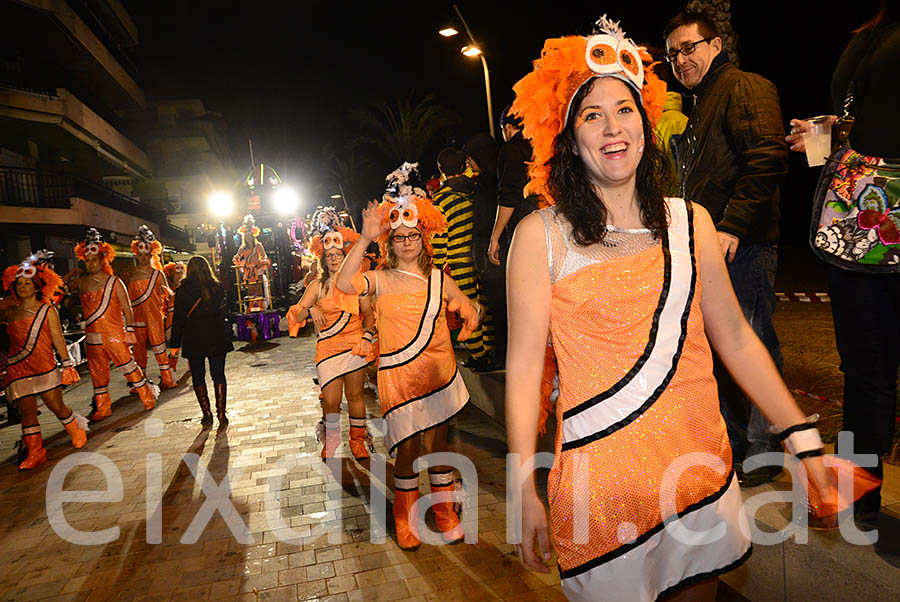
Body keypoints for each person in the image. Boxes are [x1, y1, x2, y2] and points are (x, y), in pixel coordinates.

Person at [506, 16, 844, 601]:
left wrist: (802, 438)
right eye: (592, 113)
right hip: (601, 488)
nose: (612, 128)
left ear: (648, 121)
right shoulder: (540, 237)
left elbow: (737, 338)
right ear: (566, 134)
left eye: (625, 109)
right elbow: (525, 362)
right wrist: (520, 481)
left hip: (698, 470)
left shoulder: (694, 223)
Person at [785, 1, 900, 522]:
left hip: (887, 214)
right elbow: (870, 116)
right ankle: (861, 491)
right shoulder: (872, 28)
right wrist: (822, 134)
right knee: (862, 365)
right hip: (856, 226)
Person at [664, 10, 789, 486]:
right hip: (712, 247)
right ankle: (735, 443)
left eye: (689, 47)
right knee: (717, 349)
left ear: (715, 46)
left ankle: (764, 445)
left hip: (745, 244)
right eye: (673, 52)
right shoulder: (702, 102)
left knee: (752, 341)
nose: (680, 58)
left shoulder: (744, 86)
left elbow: (767, 157)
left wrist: (734, 224)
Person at [335, 163, 480, 550]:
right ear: (389, 243)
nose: (407, 241)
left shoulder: (439, 279)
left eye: (413, 235)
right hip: (398, 379)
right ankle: (405, 514)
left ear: (424, 239)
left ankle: (445, 511)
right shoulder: (379, 279)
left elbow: (468, 306)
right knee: (408, 451)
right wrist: (364, 239)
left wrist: (470, 313)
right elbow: (343, 283)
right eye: (399, 237)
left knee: (439, 449)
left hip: (438, 374)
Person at [287, 207, 375, 460]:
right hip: (327, 349)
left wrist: (367, 337)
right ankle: (332, 441)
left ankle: (358, 441)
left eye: (339, 254)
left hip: (355, 343)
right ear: (323, 260)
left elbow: (369, 316)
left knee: (356, 395)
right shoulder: (316, 286)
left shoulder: (359, 282)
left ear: (346, 255)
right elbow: (297, 314)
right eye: (330, 256)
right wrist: (311, 307)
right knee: (331, 400)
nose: (334, 259)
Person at [1, 256, 87, 469]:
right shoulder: (9, 312)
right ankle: (35, 451)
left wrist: (67, 364)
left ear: (37, 286)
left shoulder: (46, 309)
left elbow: (58, 338)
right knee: (27, 412)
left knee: (56, 406)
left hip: (44, 365)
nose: (23, 287)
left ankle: (76, 430)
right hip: (18, 368)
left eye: (27, 283)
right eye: (19, 283)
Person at [65, 228, 157, 420]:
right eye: (88, 260)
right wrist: (67, 278)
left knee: (129, 368)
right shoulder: (81, 284)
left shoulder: (114, 282)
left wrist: (129, 330)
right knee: (97, 374)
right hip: (92, 337)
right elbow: (60, 294)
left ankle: (147, 397)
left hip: (114, 334)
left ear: (102, 260)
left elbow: (127, 307)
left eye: (94, 260)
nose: (91, 264)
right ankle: (102, 408)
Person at [431, 150, 495, 371]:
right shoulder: (476, 188)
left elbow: (439, 236)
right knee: (483, 304)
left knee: (466, 308)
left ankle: (479, 356)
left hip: (458, 261)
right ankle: (491, 351)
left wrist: (437, 267)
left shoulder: (440, 198)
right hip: (481, 256)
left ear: (441, 169)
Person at [169, 256, 234, 427]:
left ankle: (206, 414)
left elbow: (178, 320)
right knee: (218, 374)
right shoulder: (217, 288)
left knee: (198, 376)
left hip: (194, 338)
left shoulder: (182, 291)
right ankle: (221, 413)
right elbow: (225, 312)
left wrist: (174, 344)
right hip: (216, 336)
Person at [125, 226, 177, 390]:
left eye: (146, 254)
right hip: (137, 318)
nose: (143, 257)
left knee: (160, 349)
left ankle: (167, 378)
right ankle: (140, 382)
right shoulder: (130, 274)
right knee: (139, 352)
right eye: (140, 254)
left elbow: (168, 294)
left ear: (151, 253)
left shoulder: (158, 274)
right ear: (136, 253)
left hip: (154, 317)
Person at [233, 214, 271, 312]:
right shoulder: (242, 247)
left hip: (257, 270)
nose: (248, 237)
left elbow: (264, 256)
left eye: (250, 235)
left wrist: (262, 261)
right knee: (250, 289)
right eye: (246, 235)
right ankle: (250, 307)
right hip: (248, 271)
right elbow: (237, 256)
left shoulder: (258, 245)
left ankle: (260, 307)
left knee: (258, 288)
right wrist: (236, 260)